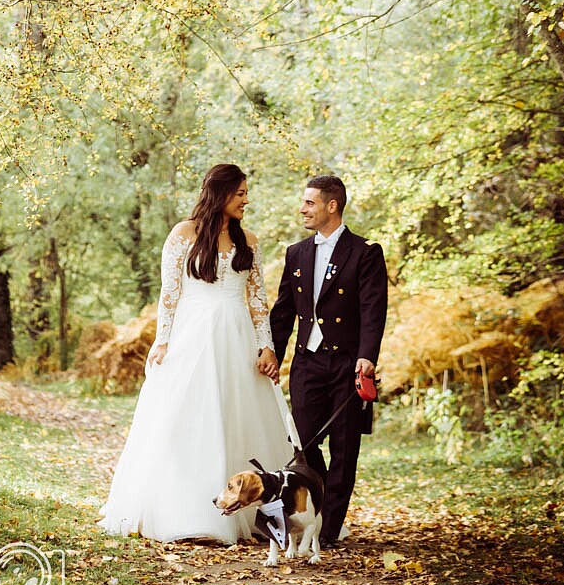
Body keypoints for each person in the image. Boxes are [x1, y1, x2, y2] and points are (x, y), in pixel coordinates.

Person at [99, 164, 298, 544]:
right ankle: (184, 510)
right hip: (193, 337)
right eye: (240, 193)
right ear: (220, 194)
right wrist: (162, 340)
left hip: (238, 337)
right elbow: (169, 293)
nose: (246, 200)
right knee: (184, 419)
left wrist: (267, 347)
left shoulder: (249, 241)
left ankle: (255, 511)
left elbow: (258, 300)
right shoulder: (183, 234)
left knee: (236, 416)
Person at [266, 175, 387, 548]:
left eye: (309, 202)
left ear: (331, 206)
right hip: (307, 362)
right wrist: (272, 354)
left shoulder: (365, 252)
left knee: (344, 449)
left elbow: (373, 309)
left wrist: (367, 356)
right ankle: (319, 512)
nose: (302, 209)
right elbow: (283, 311)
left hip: (348, 364)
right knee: (303, 441)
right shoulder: (297, 253)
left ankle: (329, 529)